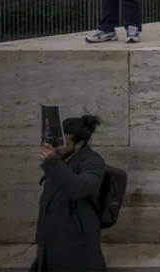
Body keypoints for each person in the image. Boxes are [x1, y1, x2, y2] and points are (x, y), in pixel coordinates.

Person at [31, 115, 107, 271]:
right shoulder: (60, 159)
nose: (58, 147)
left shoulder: (93, 162)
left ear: (79, 144)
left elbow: (80, 188)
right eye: (57, 141)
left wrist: (52, 164)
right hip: (51, 244)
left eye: (64, 143)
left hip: (77, 247)